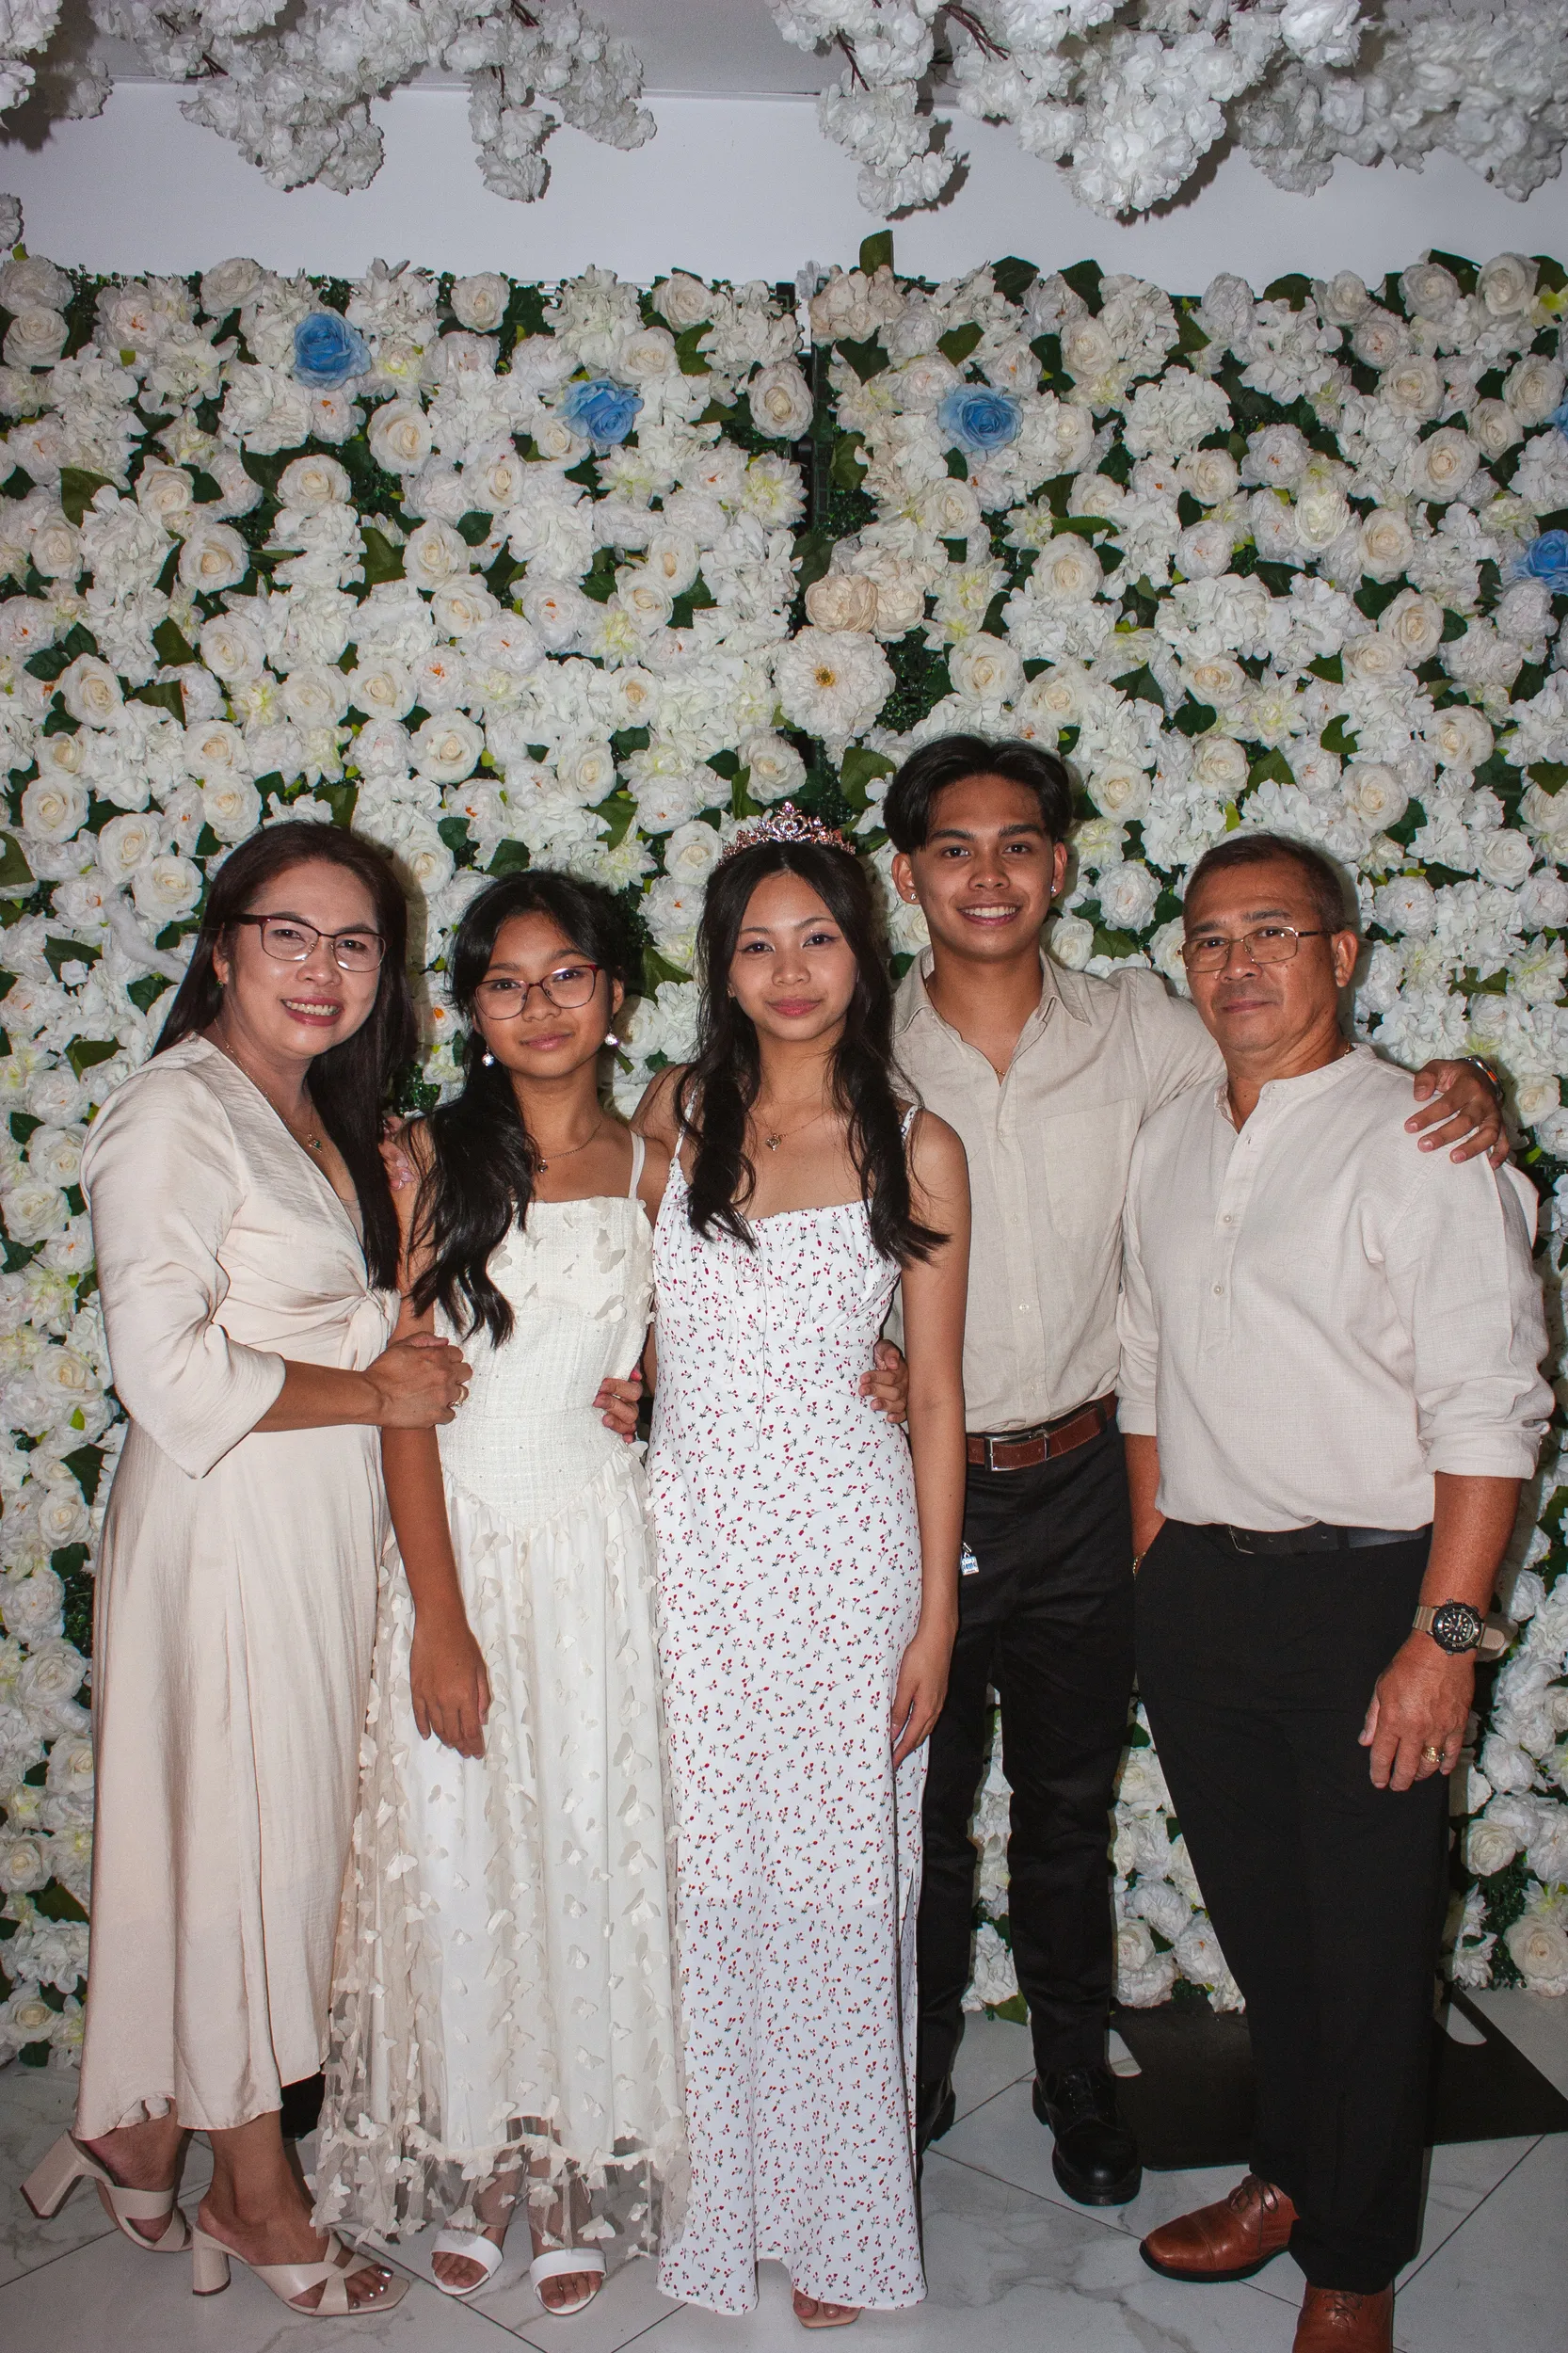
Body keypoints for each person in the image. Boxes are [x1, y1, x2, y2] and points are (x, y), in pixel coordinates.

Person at [883, 734, 1508, 2209]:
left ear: (1059, 864)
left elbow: (1301, 1084)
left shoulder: (1144, 1031)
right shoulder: (860, 1042)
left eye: (1019, 842)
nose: (989, 872)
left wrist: (1464, 1079)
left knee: (1068, 1812)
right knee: (917, 1810)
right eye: (954, 847)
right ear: (908, 876)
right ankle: (898, 2087)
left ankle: (1077, 2080)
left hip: (1097, 1482)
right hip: (918, 1488)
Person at [21, 822, 470, 2319]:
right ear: (221, 948)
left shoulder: (312, 1113)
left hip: (304, 1516)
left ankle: (134, 2125)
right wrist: (377, 1395)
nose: (323, 970)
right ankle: (255, 2194)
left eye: (354, 944)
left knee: (263, 1841)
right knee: (240, 1852)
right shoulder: (174, 1114)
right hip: (223, 1523)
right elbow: (164, 1370)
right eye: (290, 934)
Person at [1122, 830, 1550, 2353]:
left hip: (1370, 1598)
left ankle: (1354, 2264)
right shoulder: (1170, 1139)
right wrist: (1150, 1565)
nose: (1238, 964)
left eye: (1273, 933)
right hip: (1202, 1596)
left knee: (1368, 1956)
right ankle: (1289, 2173)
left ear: (1342, 954)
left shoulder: (1423, 1140)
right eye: (1211, 937)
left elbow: (1489, 1407)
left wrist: (1442, 1644)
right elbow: (1146, 1372)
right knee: (1268, 1936)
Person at [314, 872, 682, 2318]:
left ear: (613, 994)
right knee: (463, 1858)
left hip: (600, 1553)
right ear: (469, 1010)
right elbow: (410, 1405)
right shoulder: (427, 1157)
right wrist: (442, 1617)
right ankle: (478, 2159)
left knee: (585, 1851)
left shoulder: (655, 1158)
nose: (537, 1006)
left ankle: (576, 2157)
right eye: (504, 982)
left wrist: (649, 1393)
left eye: (566, 975)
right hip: (462, 1538)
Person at [636, 806, 970, 2329]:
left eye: (817, 936)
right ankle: (718, 2213)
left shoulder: (919, 1143)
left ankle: (844, 2229)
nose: (788, 968)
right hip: (686, 1550)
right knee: (706, 1886)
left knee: (842, 1896)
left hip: (846, 1557)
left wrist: (937, 1620)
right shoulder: (669, 1113)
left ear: (863, 951)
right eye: (756, 942)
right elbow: (607, 1294)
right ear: (721, 964)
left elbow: (940, 1394)